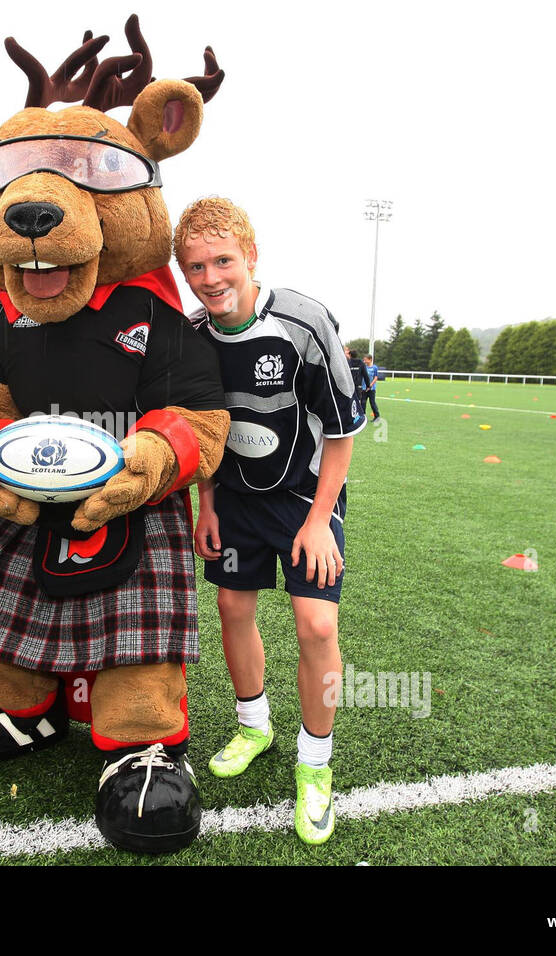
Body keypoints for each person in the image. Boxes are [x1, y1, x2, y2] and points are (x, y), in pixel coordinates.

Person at [174, 197, 364, 845]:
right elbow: (203, 428)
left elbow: (340, 434)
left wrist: (317, 522)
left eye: (223, 261)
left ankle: (316, 767)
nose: (211, 277)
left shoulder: (303, 325)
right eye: (196, 267)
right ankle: (255, 726)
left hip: (304, 500)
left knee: (316, 624)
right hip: (232, 500)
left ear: (251, 257)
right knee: (232, 608)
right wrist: (207, 504)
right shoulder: (194, 336)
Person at [346, 348, 371, 420]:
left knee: (350, 400)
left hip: (349, 386)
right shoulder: (361, 363)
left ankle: (350, 416)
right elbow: (365, 375)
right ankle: (359, 416)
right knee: (359, 401)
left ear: (350, 355)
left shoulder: (347, 363)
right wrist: (368, 385)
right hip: (358, 386)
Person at [362, 353, 382, 420]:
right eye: (364, 360)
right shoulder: (363, 367)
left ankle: (377, 417)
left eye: (366, 360)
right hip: (363, 388)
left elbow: (375, 378)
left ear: (370, 360)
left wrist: (369, 386)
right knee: (363, 403)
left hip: (371, 389)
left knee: (372, 403)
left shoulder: (374, 367)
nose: (364, 361)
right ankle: (363, 417)